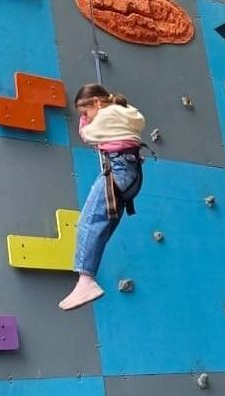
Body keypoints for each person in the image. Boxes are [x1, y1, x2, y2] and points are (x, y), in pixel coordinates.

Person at [60, 83, 147, 311]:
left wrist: (84, 122)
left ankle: (85, 281)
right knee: (101, 227)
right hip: (133, 175)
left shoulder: (107, 115)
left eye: (85, 112)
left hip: (117, 171)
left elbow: (88, 136)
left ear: (97, 103)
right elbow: (140, 122)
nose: (86, 117)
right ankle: (86, 279)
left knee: (87, 223)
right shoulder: (127, 111)